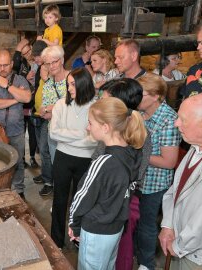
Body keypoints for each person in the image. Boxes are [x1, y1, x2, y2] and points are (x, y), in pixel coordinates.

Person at [69, 97, 147, 270]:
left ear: (105, 127)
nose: (87, 127)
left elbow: (83, 196)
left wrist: (74, 225)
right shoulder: (132, 154)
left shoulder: (103, 162)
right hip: (116, 228)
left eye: (90, 123)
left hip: (96, 230)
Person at [159, 94, 202, 269]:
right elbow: (175, 190)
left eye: (182, 119)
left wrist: (180, 245)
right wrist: (168, 225)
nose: (176, 123)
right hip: (181, 241)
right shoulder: (197, 146)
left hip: (199, 254)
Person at [98, 78, 152, 270]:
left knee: (122, 250)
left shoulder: (135, 132)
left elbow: (136, 173)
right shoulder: (113, 127)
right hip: (116, 198)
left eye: (105, 100)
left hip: (123, 201)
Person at [135, 73, 181, 270]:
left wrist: (135, 153)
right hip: (137, 178)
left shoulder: (168, 120)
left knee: (147, 226)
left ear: (156, 96)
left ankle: (146, 264)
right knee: (135, 222)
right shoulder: (140, 113)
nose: (136, 98)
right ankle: (136, 255)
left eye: (141, 94)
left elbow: (169, 162)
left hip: (154, 184)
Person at [49, 67, 97, 249]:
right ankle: (56, 241)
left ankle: (78, 238)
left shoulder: (95, 106)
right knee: (59, 200)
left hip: (85, 160)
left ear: (83, 84)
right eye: (67, 84)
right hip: (63, 158)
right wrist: (81, 135)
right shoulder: (61, 105)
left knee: (81, 201)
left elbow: (94, 140)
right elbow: (54, 133)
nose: (68, 88)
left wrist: (68, 136)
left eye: (72, 84)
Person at [0, 49, 31, 199]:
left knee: (18, 161)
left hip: (16, 130)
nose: (2, 69)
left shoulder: (20, 80)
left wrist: (8, 86)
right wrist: (16, 99)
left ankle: (19, 191)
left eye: (5, 65)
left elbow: (27, 98)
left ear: (12, 64)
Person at [39, 45, 70, 196]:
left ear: (62, 60)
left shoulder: (73, 79)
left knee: (73, 170)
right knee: (56, 167)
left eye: (54, 62)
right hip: (54, 133)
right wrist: (55, 108)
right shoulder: (48, 85)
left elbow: (79, 106)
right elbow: (44, 113)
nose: (51, 66)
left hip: (73, 134)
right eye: (47, 63)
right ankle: (59, 198)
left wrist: (53, 108)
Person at [13, 39, 39, 168]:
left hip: (35, 103)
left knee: (33, 133)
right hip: (23, 104)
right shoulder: (20, 65)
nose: (28, 54)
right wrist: (25, 78)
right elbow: (15, 77)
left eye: (28, 51)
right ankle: (22, 158)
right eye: (24, 53)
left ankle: (33, 157)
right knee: (21, 132)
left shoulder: (39, 61)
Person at [29, 40, 51, 184]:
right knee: (41, 148)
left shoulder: (48, 68)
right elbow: (38, 89)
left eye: (38, 55)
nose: (36, 58)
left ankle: (49, 180)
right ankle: (45, 174)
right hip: (37, 113)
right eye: (35, 56)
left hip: (46, 114)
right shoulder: (38, 68)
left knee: (44, 149)